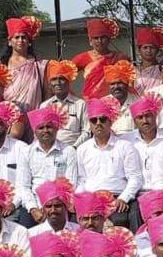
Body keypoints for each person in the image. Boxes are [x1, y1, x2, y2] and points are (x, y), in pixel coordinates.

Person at [73, 97, 143, 230]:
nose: (98, 123)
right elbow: (82, 180)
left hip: (117, 197)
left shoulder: (125, 146)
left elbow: (135, 178)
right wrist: (77, 200)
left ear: (110, 121)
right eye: (94, 120)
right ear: (90, 124)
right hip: (91, 199)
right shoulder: (82, 149)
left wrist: (123, 198)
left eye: (103, 119)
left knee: (125, 216)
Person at [0, 16, 46, 111]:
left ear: (29, 42)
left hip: (33, 116)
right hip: (6, 114)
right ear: (9, 42)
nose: (20, 40)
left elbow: (47, 92)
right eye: (17, 37)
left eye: (24, 37)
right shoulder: (0, 64)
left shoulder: (39, 65)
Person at [38, 60, 88, 147]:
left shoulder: (81, 104)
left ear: (69, 81)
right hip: (51, 149)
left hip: (74, 148)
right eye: (54, 79)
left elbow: (86, 131)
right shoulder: (44, 106)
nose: (57, 83)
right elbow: (40, 132)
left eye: (61, 79)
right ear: (50, 84)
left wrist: (74, 148)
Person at [72, 18, 125, 101]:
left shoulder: (119, 58)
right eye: (96, 38)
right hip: (91, 102)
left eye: (103, 37)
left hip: (114, 101)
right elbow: (63, 74)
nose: (99, 41)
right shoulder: (82, 58)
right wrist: (73, 99)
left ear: (109, 39)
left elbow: (129, 82)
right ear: (90, 40)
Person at [26, 105, 78, 188]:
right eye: (41, 128)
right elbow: (23, 185)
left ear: (56, 129)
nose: (45, 130)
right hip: (34, 195)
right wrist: (30, 198)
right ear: (35, 132)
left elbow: (71, 184)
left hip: (61, 195)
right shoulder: (26, 152)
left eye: (49, 127)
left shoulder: (68, 151)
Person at [100, 61, 142, 136]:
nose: (116, 87)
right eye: (112, 84)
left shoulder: (138, 101)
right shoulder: (102, 103)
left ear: (127, 84)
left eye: (120, 83)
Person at [132, 26, 163, 97]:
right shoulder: (132, 71)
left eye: (152, 48)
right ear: (139, 50)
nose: (148, 51)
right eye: (145, 47)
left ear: (157, 50)